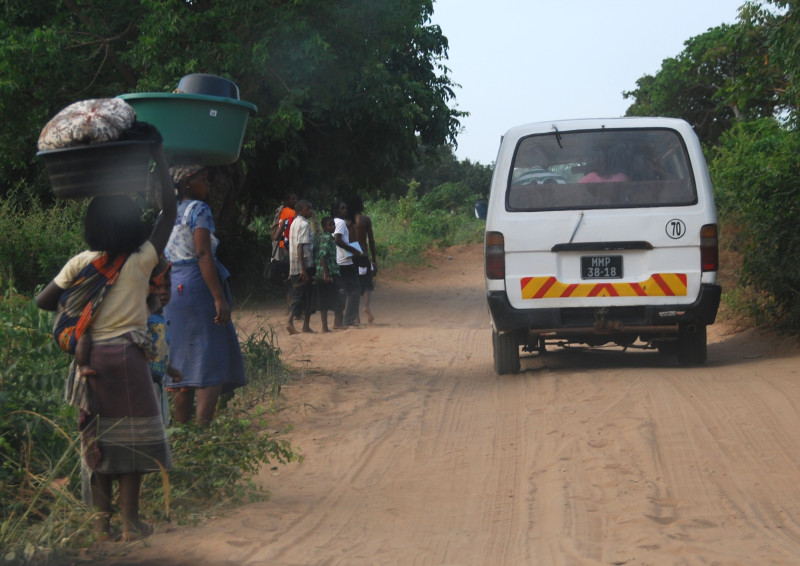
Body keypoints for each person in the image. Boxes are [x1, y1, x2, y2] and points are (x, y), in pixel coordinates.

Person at [35, 141, 176, 541]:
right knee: (133, 443)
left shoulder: (82, 263)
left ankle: (101, 525)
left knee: (98, 442)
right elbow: (170, 211)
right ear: (133, 225)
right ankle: (131, 523)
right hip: (129, 360)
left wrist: (82, 310)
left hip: (91, 361)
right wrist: (158, 156)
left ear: (91, 227)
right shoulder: (142, 259)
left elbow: (44, 300)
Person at [164, 165, 247, 425]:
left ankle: (183, 430)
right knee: (210, 359)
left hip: (172, 288)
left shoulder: (166, 213)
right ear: (187, 182)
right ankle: (201, 430)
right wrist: (218, 297)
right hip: (196, 287)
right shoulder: (199, 210)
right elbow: (202, 253)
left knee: (182, 362)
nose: (208, 185)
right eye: (204, 179)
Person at [146, 257, 183, 426]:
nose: (163, 292)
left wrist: (170, 370)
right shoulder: (143, 318)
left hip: (158, 384)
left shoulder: (161, 317)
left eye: (167, 287)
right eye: (158, 288)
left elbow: (158, 351)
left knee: (161, 427)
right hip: (144, 386)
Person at [286, 199, 316, 334]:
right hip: (304, 265)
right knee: (304, 295)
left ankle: (305, 325)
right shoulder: (304, 224)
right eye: (308, 208)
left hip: (294, 265)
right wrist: (303, 269)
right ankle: (291, 322)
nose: (310, 211)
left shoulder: (294, 223)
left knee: (300, 294)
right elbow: (300, 246)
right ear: (300, 210)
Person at [348, 195, 378, 324]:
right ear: (358, 205)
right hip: (363, 255)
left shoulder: (347, 222)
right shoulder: (365, 219)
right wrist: (374, 259)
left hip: (351, 256)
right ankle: (366, 306)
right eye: (362, 203)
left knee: (354, 285)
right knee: (367, 283)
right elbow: (371, 240)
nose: (363, 205)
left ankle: (356, 315)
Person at [313, 216, 346, 332]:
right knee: (341, 295)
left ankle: (324, 327)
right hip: (330, 272)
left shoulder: (319, 237)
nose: (333, 226)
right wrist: (326, 274)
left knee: (323, 300)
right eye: (330, 225)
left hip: (319, 272)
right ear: (324, 227)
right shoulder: (328, 239)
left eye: (333, 224)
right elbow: (323, 256)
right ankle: (337, 322)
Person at [332, 200, 362, 327]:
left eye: (345, 208)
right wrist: (353, 250)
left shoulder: (333, 222)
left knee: (342, 291)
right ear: (337, 210)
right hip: (345, 262)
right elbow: (337, 240)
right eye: (342, 208)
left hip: (338, 260)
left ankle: (339, 320)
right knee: (354, 290)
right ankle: (348, 319)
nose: (345, 210)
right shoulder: (340, 223)